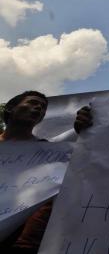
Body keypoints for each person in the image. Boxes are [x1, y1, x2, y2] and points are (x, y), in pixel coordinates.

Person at [0, 91, 91, 253]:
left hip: (24, 244)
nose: (38, 108)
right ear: (11, 108)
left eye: (42, 107)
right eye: (33, 102)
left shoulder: (52, 154)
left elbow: (86, 169)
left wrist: (86, 134)